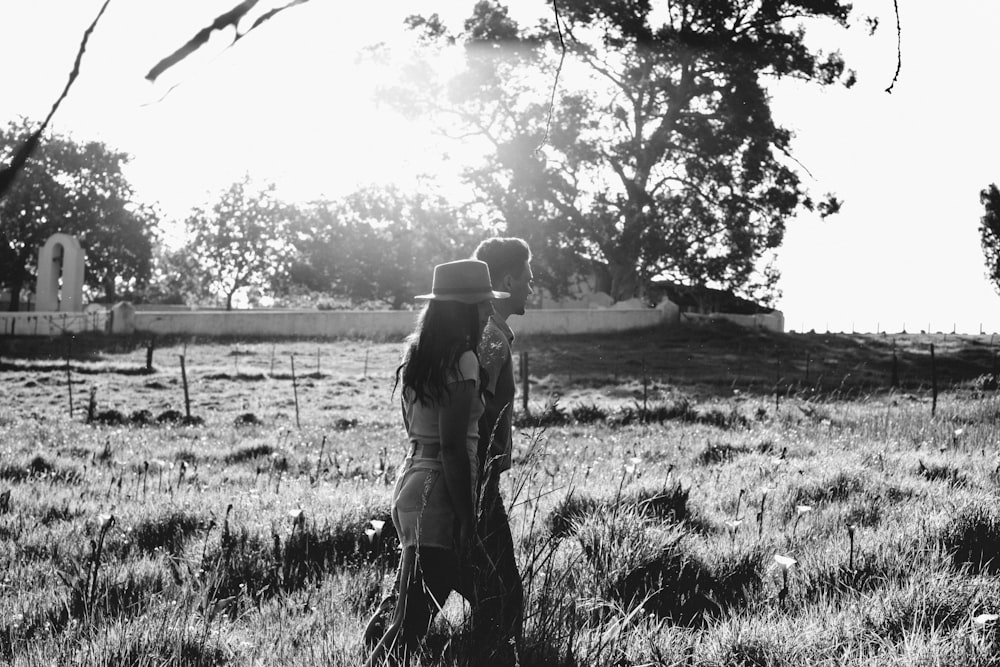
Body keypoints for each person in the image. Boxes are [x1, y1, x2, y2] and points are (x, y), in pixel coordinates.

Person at [364, 259, 508, 667]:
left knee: (476, 599)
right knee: (411, 625)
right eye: (483, 305)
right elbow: (451, 448)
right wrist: (468, 518)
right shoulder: (462, 359)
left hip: (412, 484)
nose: (488, 314)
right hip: (438, 497)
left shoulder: (418, 355)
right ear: (465, 309)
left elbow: (416, 430)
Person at [469, 237, 533, 661]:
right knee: (504, 593)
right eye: (527, 277)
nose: (532, 285)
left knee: (484, 585)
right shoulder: (491, 339)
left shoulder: (491, 333)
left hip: (477, 479)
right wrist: (478, 481)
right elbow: (470, 415)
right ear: (507, 279)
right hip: (477, 482)